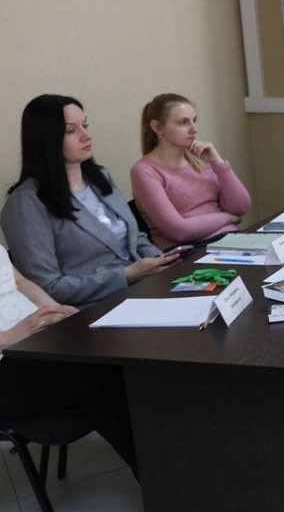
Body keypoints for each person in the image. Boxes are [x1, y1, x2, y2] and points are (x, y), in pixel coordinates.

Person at [1, 95, 178, 307]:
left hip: (142, 287)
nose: (87, 136)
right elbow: (48, 287)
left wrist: (161, 260)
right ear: (45, 138)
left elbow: (135, 237)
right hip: (93, 307)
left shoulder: (100, 176)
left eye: (85, 125)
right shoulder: (26, 202)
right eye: (71, 130)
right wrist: (126, 275)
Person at [0, 244, 138, 477]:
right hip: (8, 361)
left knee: (108, 368)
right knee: (103, 369)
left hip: (34, 347)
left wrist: (54, 309)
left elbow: (19, 282)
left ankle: (164, 476)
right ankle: (165, 479)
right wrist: (8, 337)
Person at [131, 93, 252, 250]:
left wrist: (219, 164)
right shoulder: (144, 171)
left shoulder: (200, 159)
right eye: (183, 123)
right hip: (189, 250)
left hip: (229, 238)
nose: (194, 129)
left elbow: (241, 207)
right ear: (157, 127)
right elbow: (178, 231)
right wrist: (227, 218)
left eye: (194, 120)